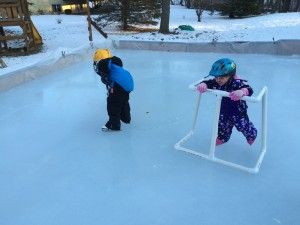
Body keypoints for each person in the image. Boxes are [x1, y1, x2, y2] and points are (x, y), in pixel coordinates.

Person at [196, 58, 257, 146]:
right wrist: (204, 84)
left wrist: (242, 92)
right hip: (223, 111)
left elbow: (249, 89)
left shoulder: (236, 83)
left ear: (230, 76)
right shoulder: (216, 83)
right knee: (222, 127)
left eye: (222, 78)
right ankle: (222, 138)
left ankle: (252, 135)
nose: (218, 80)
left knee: (244, 127)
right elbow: (209, 82)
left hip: (238, 113)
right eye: (216, 77)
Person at [93, 49, 134, 131]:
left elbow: (106, 78)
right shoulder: (113, 64)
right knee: (123, 101)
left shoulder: (103, 64)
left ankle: (114, 124)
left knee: (112, 103)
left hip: (118, 84)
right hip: (128, 82)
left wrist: (109, 88)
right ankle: (126, 119)